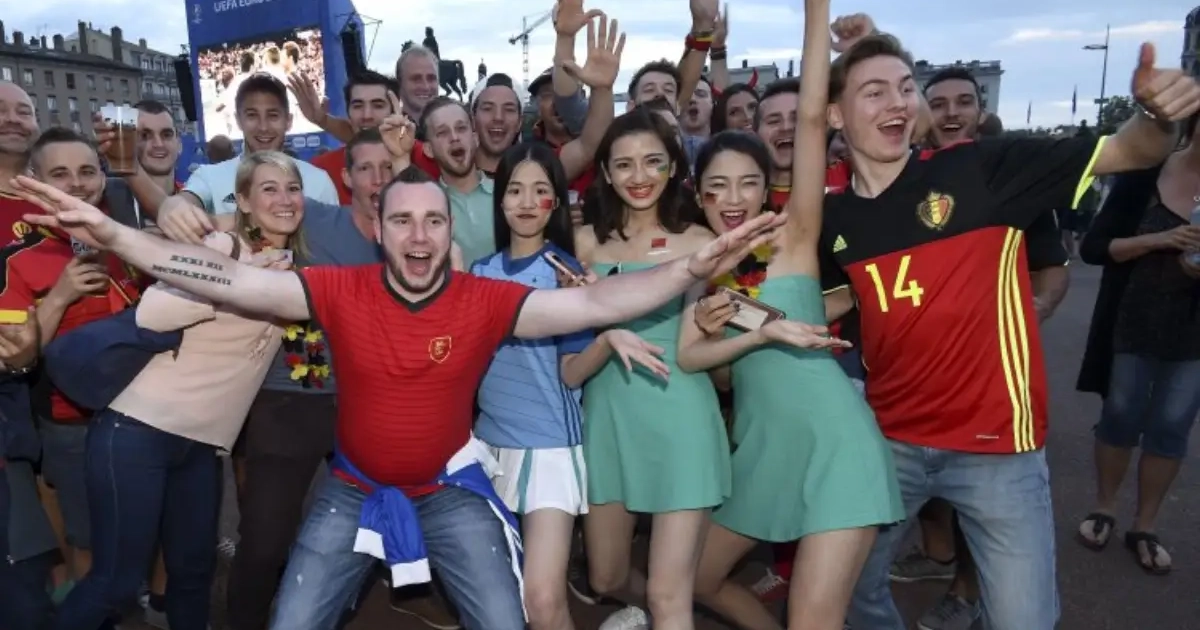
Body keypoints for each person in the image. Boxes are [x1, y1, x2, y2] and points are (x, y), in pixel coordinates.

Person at [9, 161, 783, 630]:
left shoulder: (484, 300)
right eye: (403, 221)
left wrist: (690, 270)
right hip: (350, 490)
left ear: (451, 233)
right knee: (294, 619)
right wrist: (117, 234)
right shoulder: (338, 289)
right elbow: (226, 278)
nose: (418, 237)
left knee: (505, 618)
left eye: (433, 222)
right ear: (378, 230)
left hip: (450, 491)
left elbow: (595, 302)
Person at [815, 32, 1200, 630]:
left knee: (1024, 621)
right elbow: (841, 298)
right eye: (874, 92)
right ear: (835, 115)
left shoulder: (981, 167)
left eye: (905, 88)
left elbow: (1131, 150)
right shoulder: (833, 219)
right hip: (888, 443)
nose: (898, 103)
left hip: (996, 449)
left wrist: (1156, 115)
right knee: (846, 594)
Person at [681, 4, 901, 629]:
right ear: (698, 194)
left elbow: (809, 118)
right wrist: (725, 333)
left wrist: (815, 13)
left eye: (747, 183)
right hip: (763, 452)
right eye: (716, 186)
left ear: (766, 188)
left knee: (815, 617)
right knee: (697, 579)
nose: (732, 199)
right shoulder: (695, 272)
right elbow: (720, 377)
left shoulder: (795, 235)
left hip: (833, 442)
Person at [50, 151, 304, 630]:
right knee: (116, 582)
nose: (284, 199)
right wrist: (241, 281)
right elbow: (153, 315)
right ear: (243, 201)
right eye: (268, 189)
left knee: (192, 576)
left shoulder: (296, 266)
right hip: (137, 431)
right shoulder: (224, 247)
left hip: (202, 447)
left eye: (293, 189)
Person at [471, 141, 662, 630]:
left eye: (539, 190)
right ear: (500, 199)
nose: (526, 202)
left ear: (556, 201)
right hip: (488, 447)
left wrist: (606, 338)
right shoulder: (479, 274)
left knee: (542, 600)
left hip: (549, 449)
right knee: (501, 596)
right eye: (514, 190)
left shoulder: (565, 273)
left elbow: (571, 373)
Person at [1074, 113, 1200, 576]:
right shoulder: (1148, 173)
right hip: (1132, 320)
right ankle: (1104, 507)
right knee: (1120, 417)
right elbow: (1094, 247)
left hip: (1193, 333)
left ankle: (1145, 525)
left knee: (1171, 427)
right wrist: (1158, 240)